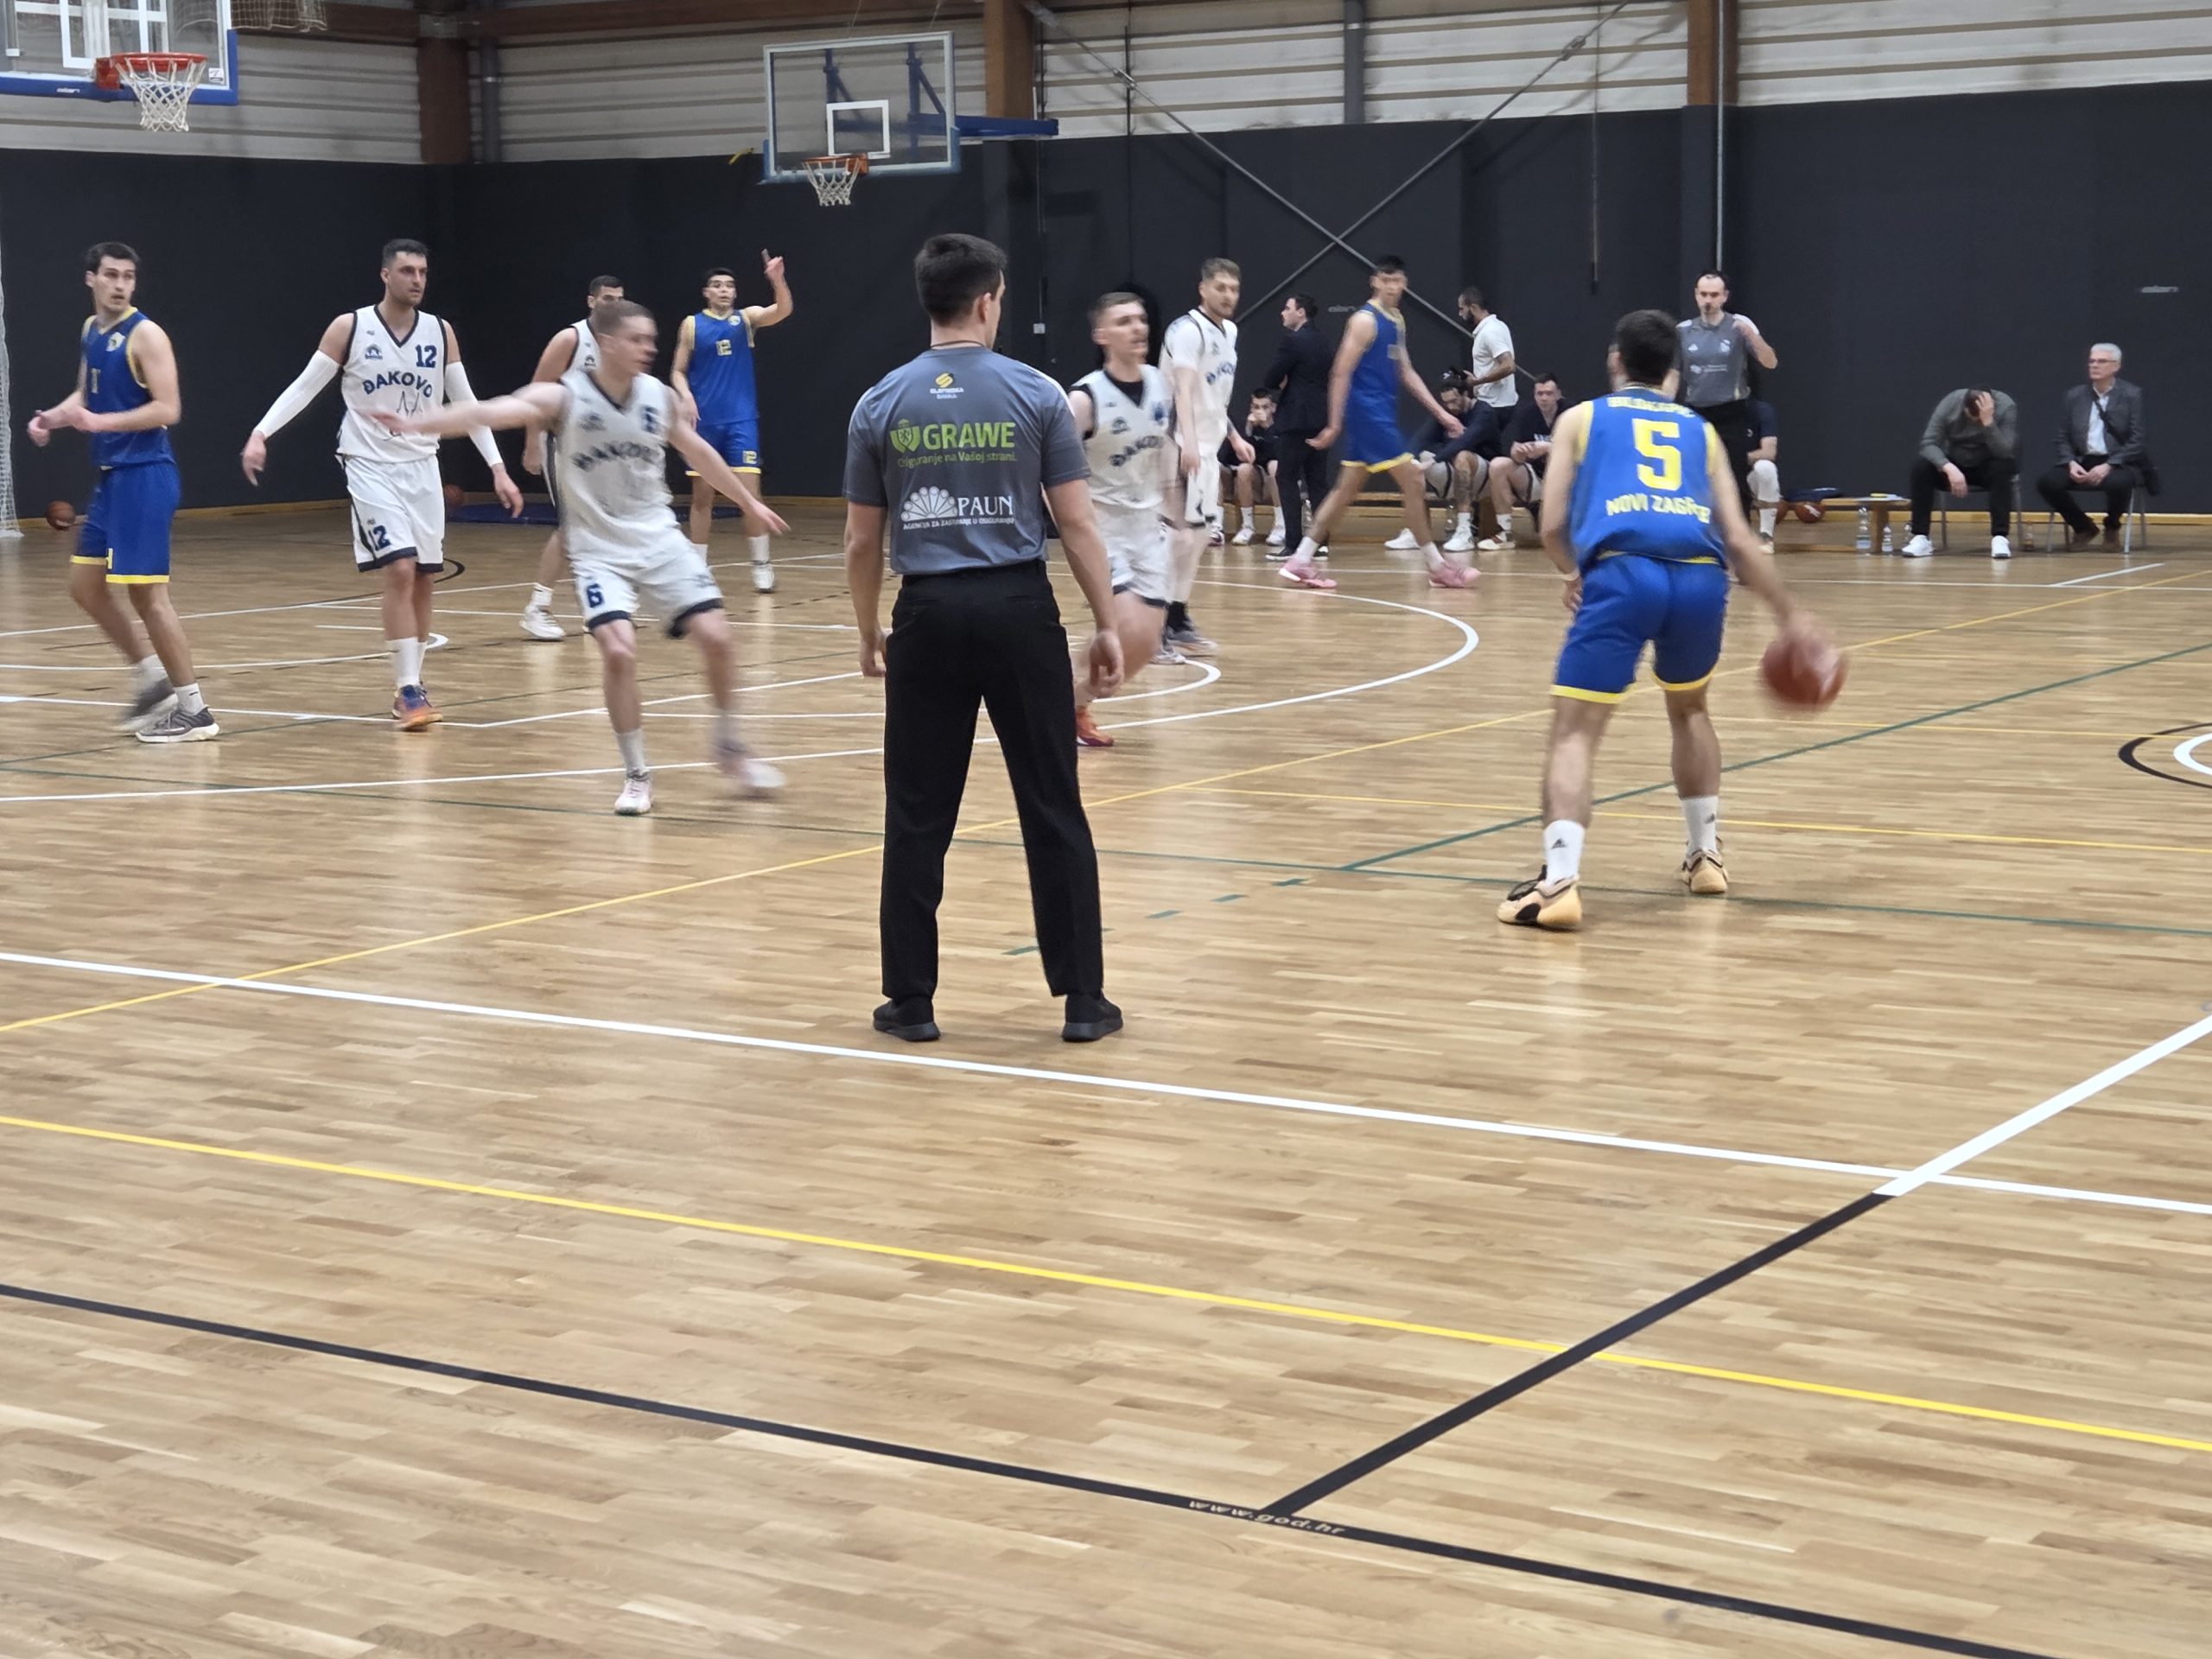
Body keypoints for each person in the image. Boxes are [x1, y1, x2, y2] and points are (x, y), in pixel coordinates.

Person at [843, 232, 1124, 1046]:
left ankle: (911, 1002)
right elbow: (1076, 523)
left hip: (926, 615)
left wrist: (868, 628)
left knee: (917, 814)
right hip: (1018, 609)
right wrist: (1107, 623)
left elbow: (861, 540)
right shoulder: (1036, 394)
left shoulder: (878, 402)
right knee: (1053, 804)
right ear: (987, 300)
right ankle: (1083, 1000)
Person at [380, 300, 789, 816]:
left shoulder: (657, 396)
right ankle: (637, 775)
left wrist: (749, 500)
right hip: (598, 550)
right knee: (618, 650)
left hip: (658, 537)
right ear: (607, 343)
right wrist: (419, 422)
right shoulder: (565, 397)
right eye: (638, 339)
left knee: (719, 638)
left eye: (652, 339)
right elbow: (490, 410)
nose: (650, 348)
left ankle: (730, 746)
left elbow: (698, 451)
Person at [1498, 308, 1827, 932]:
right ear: (1674, 373)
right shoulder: (1700, 431)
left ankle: (1559, 882)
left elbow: (1552, 524)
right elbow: (1738, 538)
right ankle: (1705, 856)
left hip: (1624, 573)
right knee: (1691, 709)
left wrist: (1571, 573)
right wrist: (1792, 616)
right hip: (1700, 579)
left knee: (1574, 733)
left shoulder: (1580, 418)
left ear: (1615, 360)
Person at [242, 238, 522, 729]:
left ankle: (412, 685)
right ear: (386, 275)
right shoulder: (350, 328)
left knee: (424, 577)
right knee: (400, 567)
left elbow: (467, 404)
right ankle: (408, 690)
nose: (417, 280)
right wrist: (262, 432)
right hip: (368, 464)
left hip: (422, 465)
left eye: (423, 272)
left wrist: (497, 467)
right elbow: (305, 386)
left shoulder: (440, 332)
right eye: (408, 271)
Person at [26, 241, 215, 743]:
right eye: (111, 275)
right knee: (84, 587)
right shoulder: (92, 329)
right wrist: (52, 418)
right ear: (91, 278)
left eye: (128, 277)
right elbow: (85, 395)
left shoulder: (146, 335)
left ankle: (195, 710)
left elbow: (168, 409)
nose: (120, 285)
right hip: (112, 478)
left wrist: (100, 422)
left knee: (148, 596)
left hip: (145, 475)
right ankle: (152, 680)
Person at [1280, 256, 1476, 592]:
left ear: (1404, 283)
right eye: (1386, 280)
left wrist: (1442, 414)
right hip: (1368, 415)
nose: (1392, 287)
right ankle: (1437, 566)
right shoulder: (1364, 321)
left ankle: (1300, 558)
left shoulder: (1396, 320)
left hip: (1379, 414)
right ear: (1374, 281)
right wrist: (1334, 424)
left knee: (1344, 490)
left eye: (1397, 280)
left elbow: (1406, 371)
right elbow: (1340, 371)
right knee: (1414, 478)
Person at [1070, 291, 1179, 751]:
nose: (1138, 327)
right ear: (1102, 335)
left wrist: (1175, 504)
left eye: (1140, 319)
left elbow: (1167, 444)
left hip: (1147, 523)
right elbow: (1051, 469)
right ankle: (1059, 702)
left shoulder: (1161, 384)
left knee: (1146, 643)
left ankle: (1071, 703)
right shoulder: (1084, 398)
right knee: (1127, 625)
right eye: (1124, 321)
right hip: (1102, 525)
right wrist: (1068, 520)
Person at [673, 252, 792, 594]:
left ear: (735, 292)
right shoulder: (692, 324)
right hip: (704, 423)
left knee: (750, 496)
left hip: (741, 421)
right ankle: (698, 569)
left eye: (729, 286)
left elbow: (782, 310)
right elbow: (678, 370)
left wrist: (777, 280)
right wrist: (685, 395)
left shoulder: (746, 320)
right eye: (717, 285)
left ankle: (762, 564)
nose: (724, 290)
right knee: (702, 497)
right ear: (706, 292)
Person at [517, 273, 627, 640]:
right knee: (573, 526)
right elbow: (537, 390)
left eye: (620, 300)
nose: (614, 305)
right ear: (592, 301)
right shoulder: (571, 338)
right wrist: (532, 442)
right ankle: (538, 608)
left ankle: (596, 607)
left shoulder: (620, 341)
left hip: (600, 451)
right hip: (562, 443)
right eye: (608, 299)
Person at [1160, 257, 1249, 653]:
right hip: (1178, 443)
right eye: (1220, 288)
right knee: (1176, 537)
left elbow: (1212, 396)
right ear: (1203, 289)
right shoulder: (1187, 330)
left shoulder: (1230, 331)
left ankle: (1177, 617)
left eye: (1234, 289)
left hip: (1209, 445)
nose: (1228, 295)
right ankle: (1155, 621)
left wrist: (1235, 435)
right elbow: (1182, 390)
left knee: (1199, 535)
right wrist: (1189, 443)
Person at [1676, 270, 1777, 512]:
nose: (1708, 300)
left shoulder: (1738, 326)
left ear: (1725, 296)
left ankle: (1739, 528)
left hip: (1732, 412)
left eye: (1714, 295)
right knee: (1695, 475)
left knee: (1735, 477)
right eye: (1703, 294)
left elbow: (1770, 362)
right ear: (1696, 295)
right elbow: (1673, 372)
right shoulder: (1683, 331)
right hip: (1696, 412)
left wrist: (1752, 336)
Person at [2037, 343, 2147, 548]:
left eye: (2101, 361)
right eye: (2092, 361)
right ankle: (2083, 527)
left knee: (2119, 483)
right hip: (2082, 459)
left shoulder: (2131, 395)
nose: (2095, 365)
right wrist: (2070, 463)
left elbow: (2137, 440)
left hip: (2117, 462)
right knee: (2048, 483)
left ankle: (2112, 526)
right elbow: (2063, 437)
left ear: (2116, 366)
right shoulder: (2075, 396)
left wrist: (2109, 465)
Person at [1902, 387, 2018, 560]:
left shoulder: (2006, 406)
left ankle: (2000, 537)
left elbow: (2005, 452)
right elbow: (1928, 443)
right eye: (1972, 418)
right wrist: (1948, 467)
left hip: (1988, 463)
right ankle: (1921, 536)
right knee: (1921, 468)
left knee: (2003, 468)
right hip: (1955, 464)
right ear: (1964, 409)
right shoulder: (1950, 404)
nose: (1975, 423)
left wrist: (1988, 423)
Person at [1259, 291, 1332, 562]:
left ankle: (1292, 543)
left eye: (1287, 308)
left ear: (1300, 312)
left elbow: (1271, 379)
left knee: (1286, 477)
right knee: (1318, 482)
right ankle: (1321, 543)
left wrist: (1285, 379)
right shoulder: (1324, 341)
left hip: (1296, 419)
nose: (1283, 312)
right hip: (1321, 418)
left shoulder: (1293, 340)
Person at [1393, 374, 1491, 554]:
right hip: (1453, 470)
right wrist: (1407, 458)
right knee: (1410, 464)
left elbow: (1466, 442)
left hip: (1484, 475)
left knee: (1462, 456)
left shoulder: (1484, 412)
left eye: (1454, 401)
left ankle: (1464, 531)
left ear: (1465, 395)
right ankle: (1416, 532)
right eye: (1446, 403)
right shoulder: (1446, 414)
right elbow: (1421, 438)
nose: (1451, 407)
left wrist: (1435, 460)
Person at [1482, 372, 1565, 551]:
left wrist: (1548, 447)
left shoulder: (1571, 413)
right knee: (1498, 465)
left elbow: (1581, 451)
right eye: (1539, 394)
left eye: (1549, 393)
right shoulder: (1526, 414)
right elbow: (1515, 451)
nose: (1544, 398)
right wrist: (1520, 452)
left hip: (1566, 481)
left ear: (1558, 394)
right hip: (1537, 478)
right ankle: (1505, 532)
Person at [1222, 389, 1280, 545]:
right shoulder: (1245, 426)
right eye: (1256, 407)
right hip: (1255, 481)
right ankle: (1247, 526)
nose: (1260, 411)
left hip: (1275, 481)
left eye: (1265, 407)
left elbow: (1279, 455)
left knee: (1274, 466)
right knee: (1243, 469)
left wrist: (1267, 427)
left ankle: (1281, 526)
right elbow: (1235, 457)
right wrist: (1248, 430)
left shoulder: (1280, 424)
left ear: (1273, 408)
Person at [1459, 286, 1518, 416]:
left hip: (1493, 406)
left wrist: (1478, 381)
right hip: (1498, 404)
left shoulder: (1489, 331)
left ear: (1473, 308)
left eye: (1462, 309)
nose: (1460, 314)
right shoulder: (1498, 326)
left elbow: (1509, 366)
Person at [1748, 397, 1781, 543]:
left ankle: (1766, 535)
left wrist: (1740, 457)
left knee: (1766, 468)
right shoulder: (1710, 410)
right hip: (1721, 475)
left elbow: (1769, 452)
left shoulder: (1761, 410)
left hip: (1747, 474)